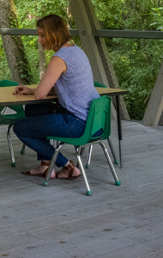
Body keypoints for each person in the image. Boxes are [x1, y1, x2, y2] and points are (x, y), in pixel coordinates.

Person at [12, 13, 100, 180]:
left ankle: (66, 165)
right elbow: (60, 89)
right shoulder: (76, 51)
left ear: (54, 33)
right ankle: (45, 166)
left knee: (20, 127)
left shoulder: (59, 58)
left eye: (42, 35)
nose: (39, 40)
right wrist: (30, 91)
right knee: (36, 107)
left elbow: (40, 94)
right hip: (93, 120)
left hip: (77, 122)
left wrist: (35, 91)